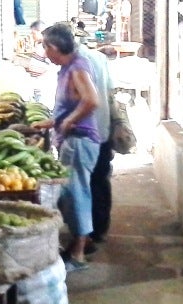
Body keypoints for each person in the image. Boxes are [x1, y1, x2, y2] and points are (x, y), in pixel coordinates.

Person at [31, 22, 101, 272]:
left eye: (44, 47)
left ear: (53, 47)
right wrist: (50, 123)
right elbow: (70, 108)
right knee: (72, 195)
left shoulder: (77, 67)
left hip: (80, 141)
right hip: (73, 139)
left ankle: (79, 255)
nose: (44, 53)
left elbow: (92, 101)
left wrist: (69, 122)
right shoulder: (68, 67)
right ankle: (80, 240)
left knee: (75, 195)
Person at [78, 46, 114, 246]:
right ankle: (100, 229)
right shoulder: (100, 58)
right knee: (100, 179)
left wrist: (66, 122)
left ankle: (87, 234)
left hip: (85, 131)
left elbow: (88, 101)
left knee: (85, 184)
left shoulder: (75, 63)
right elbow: (110, 90)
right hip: (103, 126)